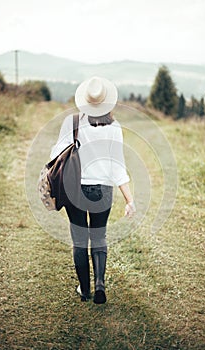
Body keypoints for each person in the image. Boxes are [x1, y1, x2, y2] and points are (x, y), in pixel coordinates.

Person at [50, 76, 136, 304]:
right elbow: (118, 166)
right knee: (99, 236)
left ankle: (84, 290)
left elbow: (56, 156)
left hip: (75, 189)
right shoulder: (114, 127)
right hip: (103, 190)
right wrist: (129, 200)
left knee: (79, 240)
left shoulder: (73, 121)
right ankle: (100, 284)